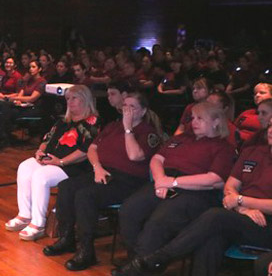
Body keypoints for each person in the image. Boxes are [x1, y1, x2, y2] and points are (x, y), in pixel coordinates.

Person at [115, 125, 272, 276]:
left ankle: (159, 258)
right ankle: (150, 262)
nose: (270, 130)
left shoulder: (223, 147)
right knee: (211, 240)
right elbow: (230, 186)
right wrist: (241, 207)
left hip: (266, 224)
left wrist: (240, 200)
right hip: (242, 215)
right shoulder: (253, 152)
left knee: (216, 216)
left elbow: (235, 196)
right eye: (271, 125)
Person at [42, 92, 163, 271]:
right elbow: (92, 148)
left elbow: (134, 155)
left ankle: (86, 250)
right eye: (125, 106)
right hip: (102, 171)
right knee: (66, 186)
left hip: (128, 180)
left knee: (86, 196)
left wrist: (128, 128)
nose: (127, 110)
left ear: (143, 111)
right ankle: (66, 238)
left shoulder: (148, 132)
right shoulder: (113, 126)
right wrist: (97, 167)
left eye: (132, 107)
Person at [114, 102, 235, 275]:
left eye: (200, 118)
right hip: (164, 181)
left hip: (196, 191)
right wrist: (160, 180)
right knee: (129, 209)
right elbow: (157, 159)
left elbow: (214, 179)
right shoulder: (182, 138)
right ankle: (140, 262)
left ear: (216, 121)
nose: (194, 122)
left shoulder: (222, 147)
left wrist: (172, 182)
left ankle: (137, 269)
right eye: (193, 118)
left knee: (159, 221)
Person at [4, 85, 99, 241]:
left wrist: (61, 162)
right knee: (25, 167)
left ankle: (38, 223)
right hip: (52, 158)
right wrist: (40, 152)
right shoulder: (63, 121)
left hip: (72, 166)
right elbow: (47, 140)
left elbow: (85, 151)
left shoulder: (92, 122)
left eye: (74, 98)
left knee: (41, 176)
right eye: (68, 98)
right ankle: (25, 214)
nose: (70, 102)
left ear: (85, 99)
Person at [0, 60, 46, 148]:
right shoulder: (29, 80)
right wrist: (18, 100)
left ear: (39, 69)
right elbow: (22, 91)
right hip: (24, 106)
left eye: (33, 67)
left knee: (8, 111)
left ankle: (2, 136)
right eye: (30, 67)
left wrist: (16, 98)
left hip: (34, 108)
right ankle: (3, 136)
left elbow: (32, 98)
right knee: (6, 107)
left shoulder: (42, 82)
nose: (31, 69)